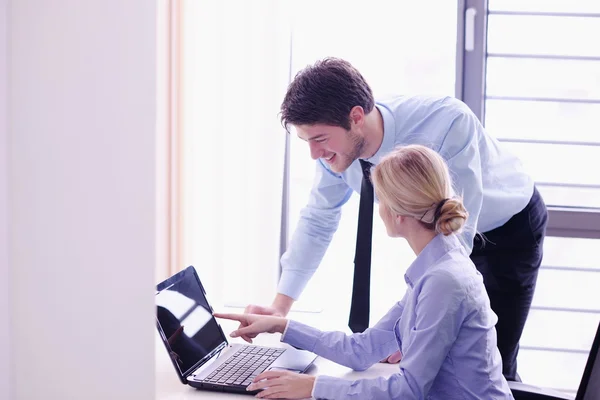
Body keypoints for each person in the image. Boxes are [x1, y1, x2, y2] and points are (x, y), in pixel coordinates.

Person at [243, 58, 548, 381]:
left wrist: (418, 329)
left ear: (356, 117)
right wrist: (280, 308)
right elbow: (317, 221)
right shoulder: (336, 154)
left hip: (507, 229)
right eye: (307, 143)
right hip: (445, 250)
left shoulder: (446, 122)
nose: (315, 155)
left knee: (491, 364)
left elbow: (457, 235)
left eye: (319, 139)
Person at [216, 145, 514, 399]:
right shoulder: (437, 265)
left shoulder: (442, 280)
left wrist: (313, 387)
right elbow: (361, 350)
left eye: (380, 199)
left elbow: (408, 389)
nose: (378, 208)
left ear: (397, 214)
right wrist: (280, 325)